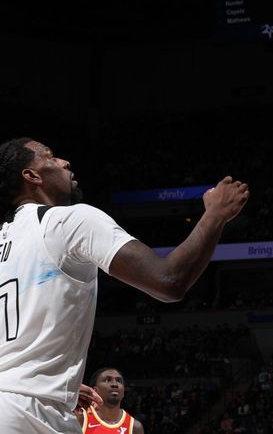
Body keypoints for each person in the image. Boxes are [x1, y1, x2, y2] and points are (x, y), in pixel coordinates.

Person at [0, 137, 249, 434]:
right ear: (31, 176)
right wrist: (216, 214)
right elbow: (169, 281)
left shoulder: (5, 237)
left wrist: (46, 380)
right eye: (50, 157)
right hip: (30, 417)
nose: (64, 162)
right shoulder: (69, 221)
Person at [77, 367, 143, 434]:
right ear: (94, 391)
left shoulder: (135, 427)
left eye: (119, 381)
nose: (115, 384)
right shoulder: (80, 418)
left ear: (123, 392)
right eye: (107, 380)